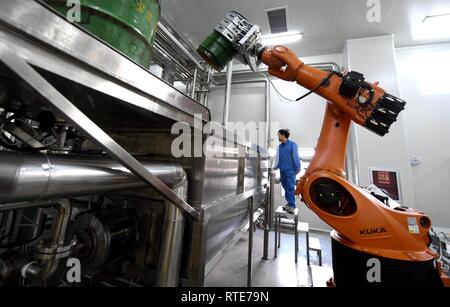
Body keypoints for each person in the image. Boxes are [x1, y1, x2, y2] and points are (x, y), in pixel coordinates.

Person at [272, 129, 301, 214]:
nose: (278, 137)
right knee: (285, 188)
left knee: (290, 188)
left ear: (283, 135)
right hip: (282, 171)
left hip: (290, 171)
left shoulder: (292, 145)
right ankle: (289, 203)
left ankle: (292, 205)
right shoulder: (280, 147)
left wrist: (297, 168)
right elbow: (278, 159)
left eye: (279, 135)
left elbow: (295, 157)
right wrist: (274, 167)